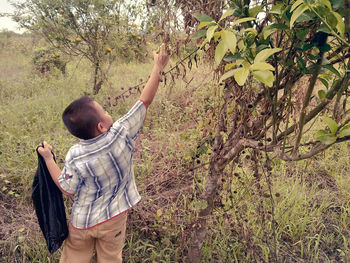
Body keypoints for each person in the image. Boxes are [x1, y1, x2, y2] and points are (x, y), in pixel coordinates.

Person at [37, 44, 171, 263]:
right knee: (110, 258)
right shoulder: (121, 133)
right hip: (113, 220)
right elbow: (144, 101)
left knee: (73, 258)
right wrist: (158, 66)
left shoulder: (75, 154)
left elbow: (67, 189)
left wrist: (49, 158)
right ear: (101, 125)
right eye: (105, 111)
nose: (109, 112)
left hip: (82, 222)